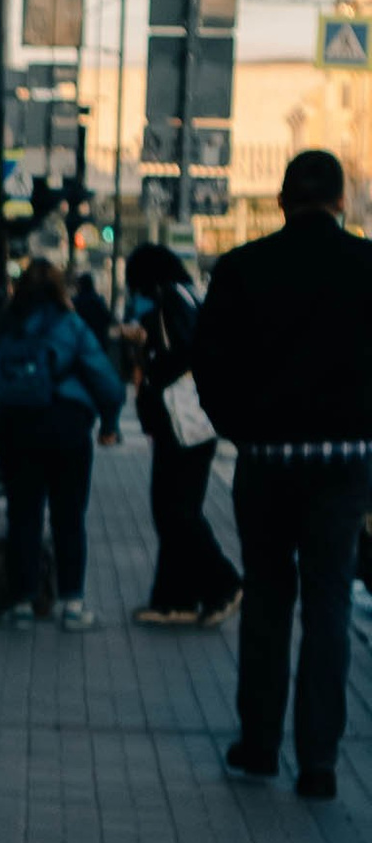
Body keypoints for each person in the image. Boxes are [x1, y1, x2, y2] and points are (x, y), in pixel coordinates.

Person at [191, 147, 372, 801]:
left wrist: (239, 426)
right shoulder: (366, 267)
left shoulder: (242, 269)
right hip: (346, 463)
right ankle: (319, 761)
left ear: (280, 201)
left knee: (268, 599)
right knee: (329, 605)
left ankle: (259, 745)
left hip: (266, 462)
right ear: (341, 203)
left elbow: (207, 363)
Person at [0, 252, 125, 628]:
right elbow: (105, 380)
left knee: (23, 515)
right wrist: (109, 422)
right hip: (66, 428)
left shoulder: (4, 324)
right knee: (68, 516)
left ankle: (22, 603)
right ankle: (72, 605)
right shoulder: (72, 325)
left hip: (16, 428)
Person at [124, 240, 241, 628]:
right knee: (175, 508)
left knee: (176, 510)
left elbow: (184, 352)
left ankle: (222, 583)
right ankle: (175, 599)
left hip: (182, 422)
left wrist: (149, 356)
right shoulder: (189, 293)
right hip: (195, 421)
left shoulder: (172, 299)